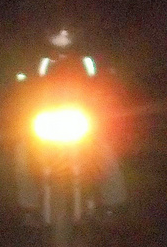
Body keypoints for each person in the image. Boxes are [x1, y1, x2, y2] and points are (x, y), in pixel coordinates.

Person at [12, 26, 126, 214]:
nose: (62, 38)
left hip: (82, 116)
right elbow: (23, 80)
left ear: (75, 35)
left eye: (66, 34)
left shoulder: (87, 59)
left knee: (104, 149)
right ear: (49, 35)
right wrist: (20, 92)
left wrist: (107, 93)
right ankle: (29, 206)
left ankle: (112, 202)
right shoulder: (39, 59)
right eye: (57, 33)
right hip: (47, 118)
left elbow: (105, 79)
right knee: (23, 151)